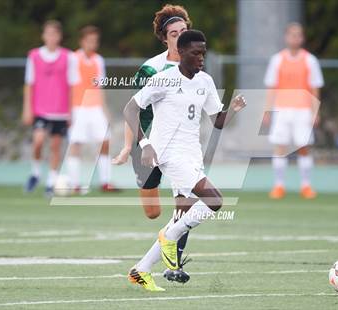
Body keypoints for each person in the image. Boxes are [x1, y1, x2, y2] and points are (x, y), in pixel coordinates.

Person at [124, 30, 246, 291]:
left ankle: (141, 270)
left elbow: (218, 121)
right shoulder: (164, 79)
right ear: (181, 53)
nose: (201, 57)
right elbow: (130, 109)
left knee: (182, 216)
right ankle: (169, 238)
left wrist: (233, 110)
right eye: (196, 53)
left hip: (192, 155)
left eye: (203, 52)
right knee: (214, 199)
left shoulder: (205, 81)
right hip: (169, 154)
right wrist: (144, 144)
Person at [112, 4, 193, 283]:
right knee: (153, 212)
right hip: (148, 145)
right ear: (164, 38)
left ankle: (174, 266)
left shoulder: (195, 64)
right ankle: (151, 261)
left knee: (186, 205)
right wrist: (127, 147)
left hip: (180, 148)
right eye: (174, 33)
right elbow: (132, 109)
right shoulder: (152, 68)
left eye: (184, 31)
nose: (180, 37)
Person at [264, 22, 324, 199]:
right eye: (292, 35)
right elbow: (271, 87)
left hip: (303, 110)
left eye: (298, 35)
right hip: (282, 110)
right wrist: (267, 111)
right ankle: (279, 186)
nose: (295, 38)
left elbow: (315, 88)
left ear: (302, 38)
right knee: (279, 147)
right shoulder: (277, 59)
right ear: (286, 37)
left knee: (303, 147)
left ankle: (306, 186)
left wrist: (315, 111)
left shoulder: (310, 60)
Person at [23, 20, 79, 196]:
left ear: (59, 37)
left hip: (61, 111)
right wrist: (27, 109)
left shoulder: (68, 57)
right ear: (43, 36)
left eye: (54, 34)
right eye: (48, 34)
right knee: (38, 142)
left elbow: (73, 86)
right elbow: (29, 84)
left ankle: (51, 181)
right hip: (40, 109)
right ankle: (36, 173)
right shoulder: (34, 56)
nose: (51, 37)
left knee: (56, 147)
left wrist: (71, 112)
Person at [67, 25, 118, 193]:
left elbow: (99, 87)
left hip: (96, 108)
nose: (92, 44)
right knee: (76, 144)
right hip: (78, 108)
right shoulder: (73, 59)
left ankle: (105, 182)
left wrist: (105, 110)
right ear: (82, 41)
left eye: (95, 41)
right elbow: (68, 86)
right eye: (89, 41)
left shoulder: (99, 60)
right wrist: (67, 112)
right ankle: (74, 184)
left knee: (104, 142)